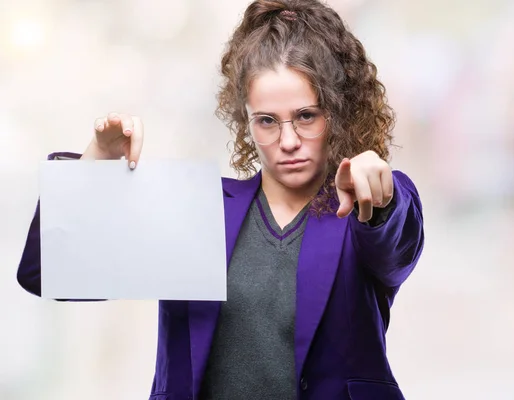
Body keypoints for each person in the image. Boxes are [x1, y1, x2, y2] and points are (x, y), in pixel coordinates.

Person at [16, 0, 424, 399]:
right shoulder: (197, 209)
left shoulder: (363, 211)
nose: (287, 141)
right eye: (266, 120)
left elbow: (395, 239)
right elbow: (49, 272)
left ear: (337, 110)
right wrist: (97, 165)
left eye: (306, 116)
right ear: (244, 120)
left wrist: (380, 195)